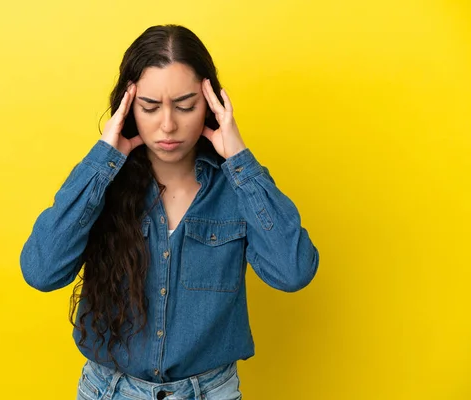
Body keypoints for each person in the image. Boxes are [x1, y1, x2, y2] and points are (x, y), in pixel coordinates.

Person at [20, 24, 319, 400]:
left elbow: (293, 272)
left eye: (185, 105)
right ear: (128, 107)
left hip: (210, 392)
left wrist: (240, 160)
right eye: (149, 106)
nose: (168, 125)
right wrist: (102, 162)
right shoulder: (102, 185)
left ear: (211, 104)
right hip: (107, 391)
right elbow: (41, 271)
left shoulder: (240, 187)